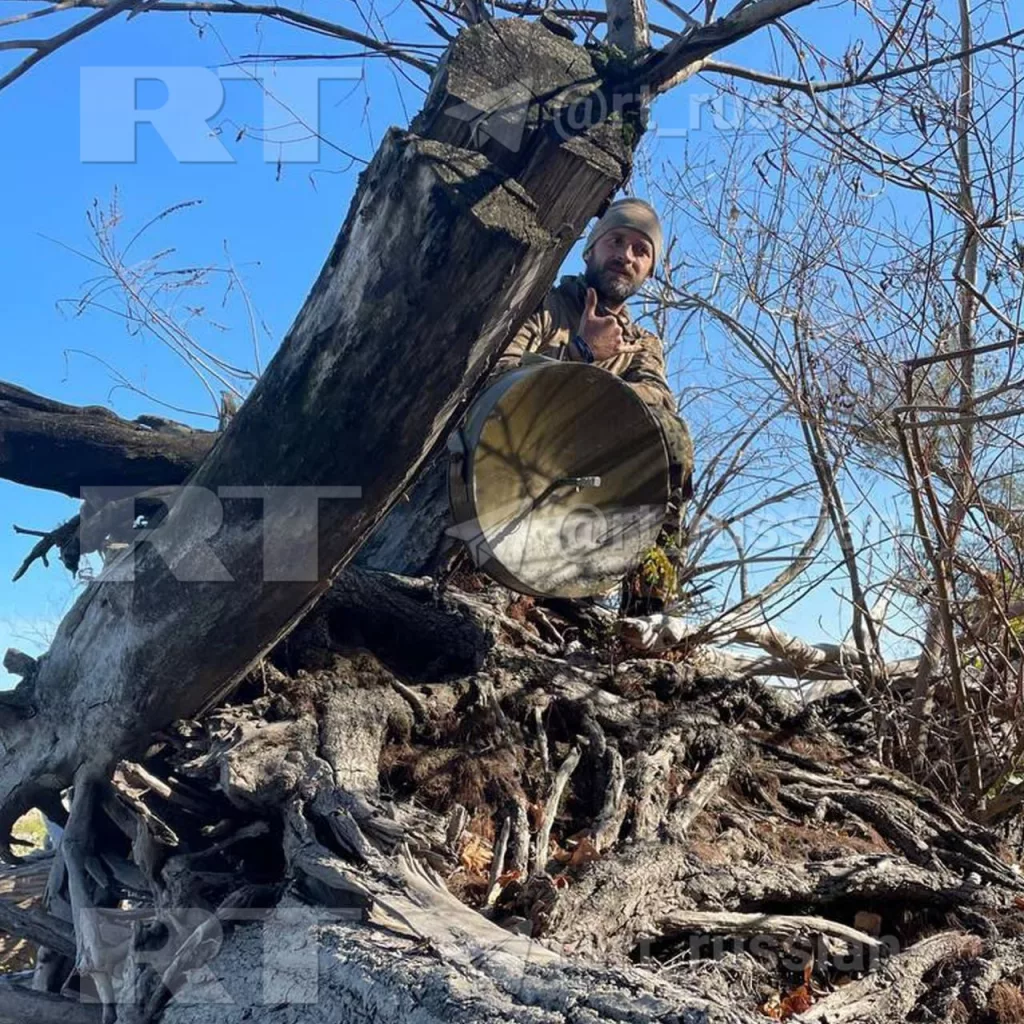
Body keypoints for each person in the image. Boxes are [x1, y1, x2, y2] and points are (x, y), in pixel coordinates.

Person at [491, 197, 694, 562]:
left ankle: (645, 607)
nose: (626, 256)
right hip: (508, 455)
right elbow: (498, 380)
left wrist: (591, 395)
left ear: (648, 271)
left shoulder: (640, 343)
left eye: (640, 250)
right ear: (589, 250)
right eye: (615, 240)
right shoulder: (542, 305)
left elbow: (659, 399)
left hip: (587, 475)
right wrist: (581, 351)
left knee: (671, 434)